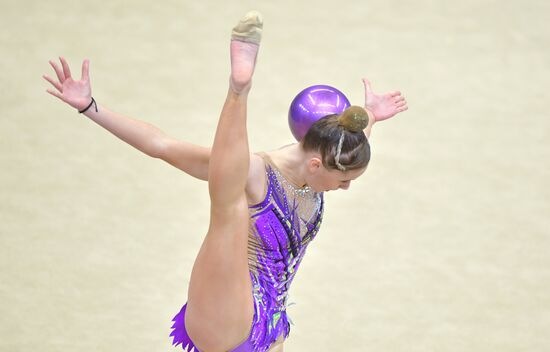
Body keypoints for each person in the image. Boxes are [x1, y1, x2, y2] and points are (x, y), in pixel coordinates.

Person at [43, 10, 407, 352]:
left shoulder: (332, 157)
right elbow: (161, 146)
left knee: (234, 187)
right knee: (230, 200)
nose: (346, 188)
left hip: (270, 324)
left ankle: (239, 93)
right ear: (316, 163)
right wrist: (90, 106)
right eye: (344, 182)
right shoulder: (258, 171)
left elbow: (350, 143)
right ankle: (238, 91)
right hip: (228, 306)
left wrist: (371, 115)